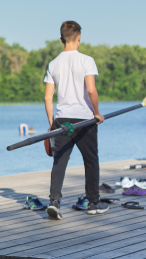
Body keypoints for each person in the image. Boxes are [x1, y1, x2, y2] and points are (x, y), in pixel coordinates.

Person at [43, 21, 108, 220]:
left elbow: (48, 97)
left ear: (61, 39)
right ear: (79, 38)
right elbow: (90, 90)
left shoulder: (53, 63)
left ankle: (54, 201)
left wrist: (52, 123)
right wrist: (97, 113)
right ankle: (93, 203)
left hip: (62, 121)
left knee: (59, 161)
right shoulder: (87, 60)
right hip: (85, 121)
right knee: (91, 160)